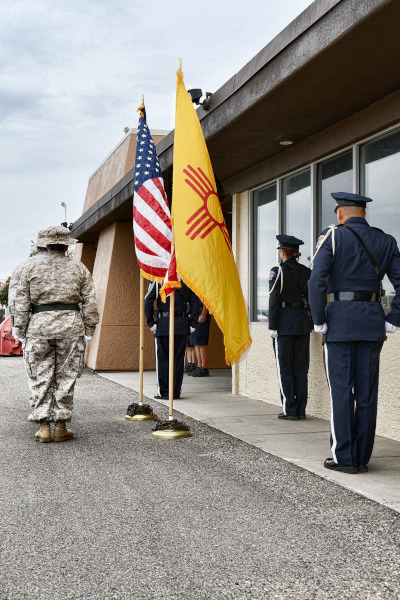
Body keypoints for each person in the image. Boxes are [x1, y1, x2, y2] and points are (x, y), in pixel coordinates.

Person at [308, 192, 400, 474]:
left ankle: (344, 458)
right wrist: (394, 316)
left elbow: (316, 280)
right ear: (363, 213)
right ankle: (362, 456)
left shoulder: (333, 236)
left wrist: (318, 319)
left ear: (340, 213)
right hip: (372, 323)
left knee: (341, 391)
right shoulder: (385, 240)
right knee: (367, 393)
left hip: (339, 324)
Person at [13, 225, 99, 443]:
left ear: (46, 245)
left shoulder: (28, 267)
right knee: (66, 377)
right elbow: (89, 301)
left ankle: (43, 427)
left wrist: (20, 331)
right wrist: (89, 330)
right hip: (70, 328)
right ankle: (60, 426)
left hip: (39, 328)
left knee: (39, 376)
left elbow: (21, 303)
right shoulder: (79, 268)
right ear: (66, 246)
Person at [269, 235, 312, 420]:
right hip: (302, 324)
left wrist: (272, 325)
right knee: (301, 369)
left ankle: (290, 410)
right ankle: (301, 410)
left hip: (284, 325)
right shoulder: (307, 272)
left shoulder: (277, 271)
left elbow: (274, 300)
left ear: (283, 252)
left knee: (284, 368)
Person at [8, 229, 48, 422]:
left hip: (33, 325)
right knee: (59, 373)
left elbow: (14, 299)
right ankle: (57, 414)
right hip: (65, 324)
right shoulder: (66, 265)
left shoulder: (23, 266)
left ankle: (39, 410)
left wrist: (18, 326)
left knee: (35, 371)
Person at [145, 280, 200, 399]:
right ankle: (175, 392)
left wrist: (151, 322)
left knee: (162, 360)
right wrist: (192, 323)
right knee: (178, 361)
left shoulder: (158, 281)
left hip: (163, 325)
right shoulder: (186, 281)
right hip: (181, 325)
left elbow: (148, 301)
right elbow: (195, 301)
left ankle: (164, 392)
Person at [190, 303, 211, 377]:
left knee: (202, 342)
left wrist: (203, 314)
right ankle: (199, 366)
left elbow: (206, 301)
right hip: (195, 315)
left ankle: (204, 367)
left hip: (201, 313)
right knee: (196, 343)